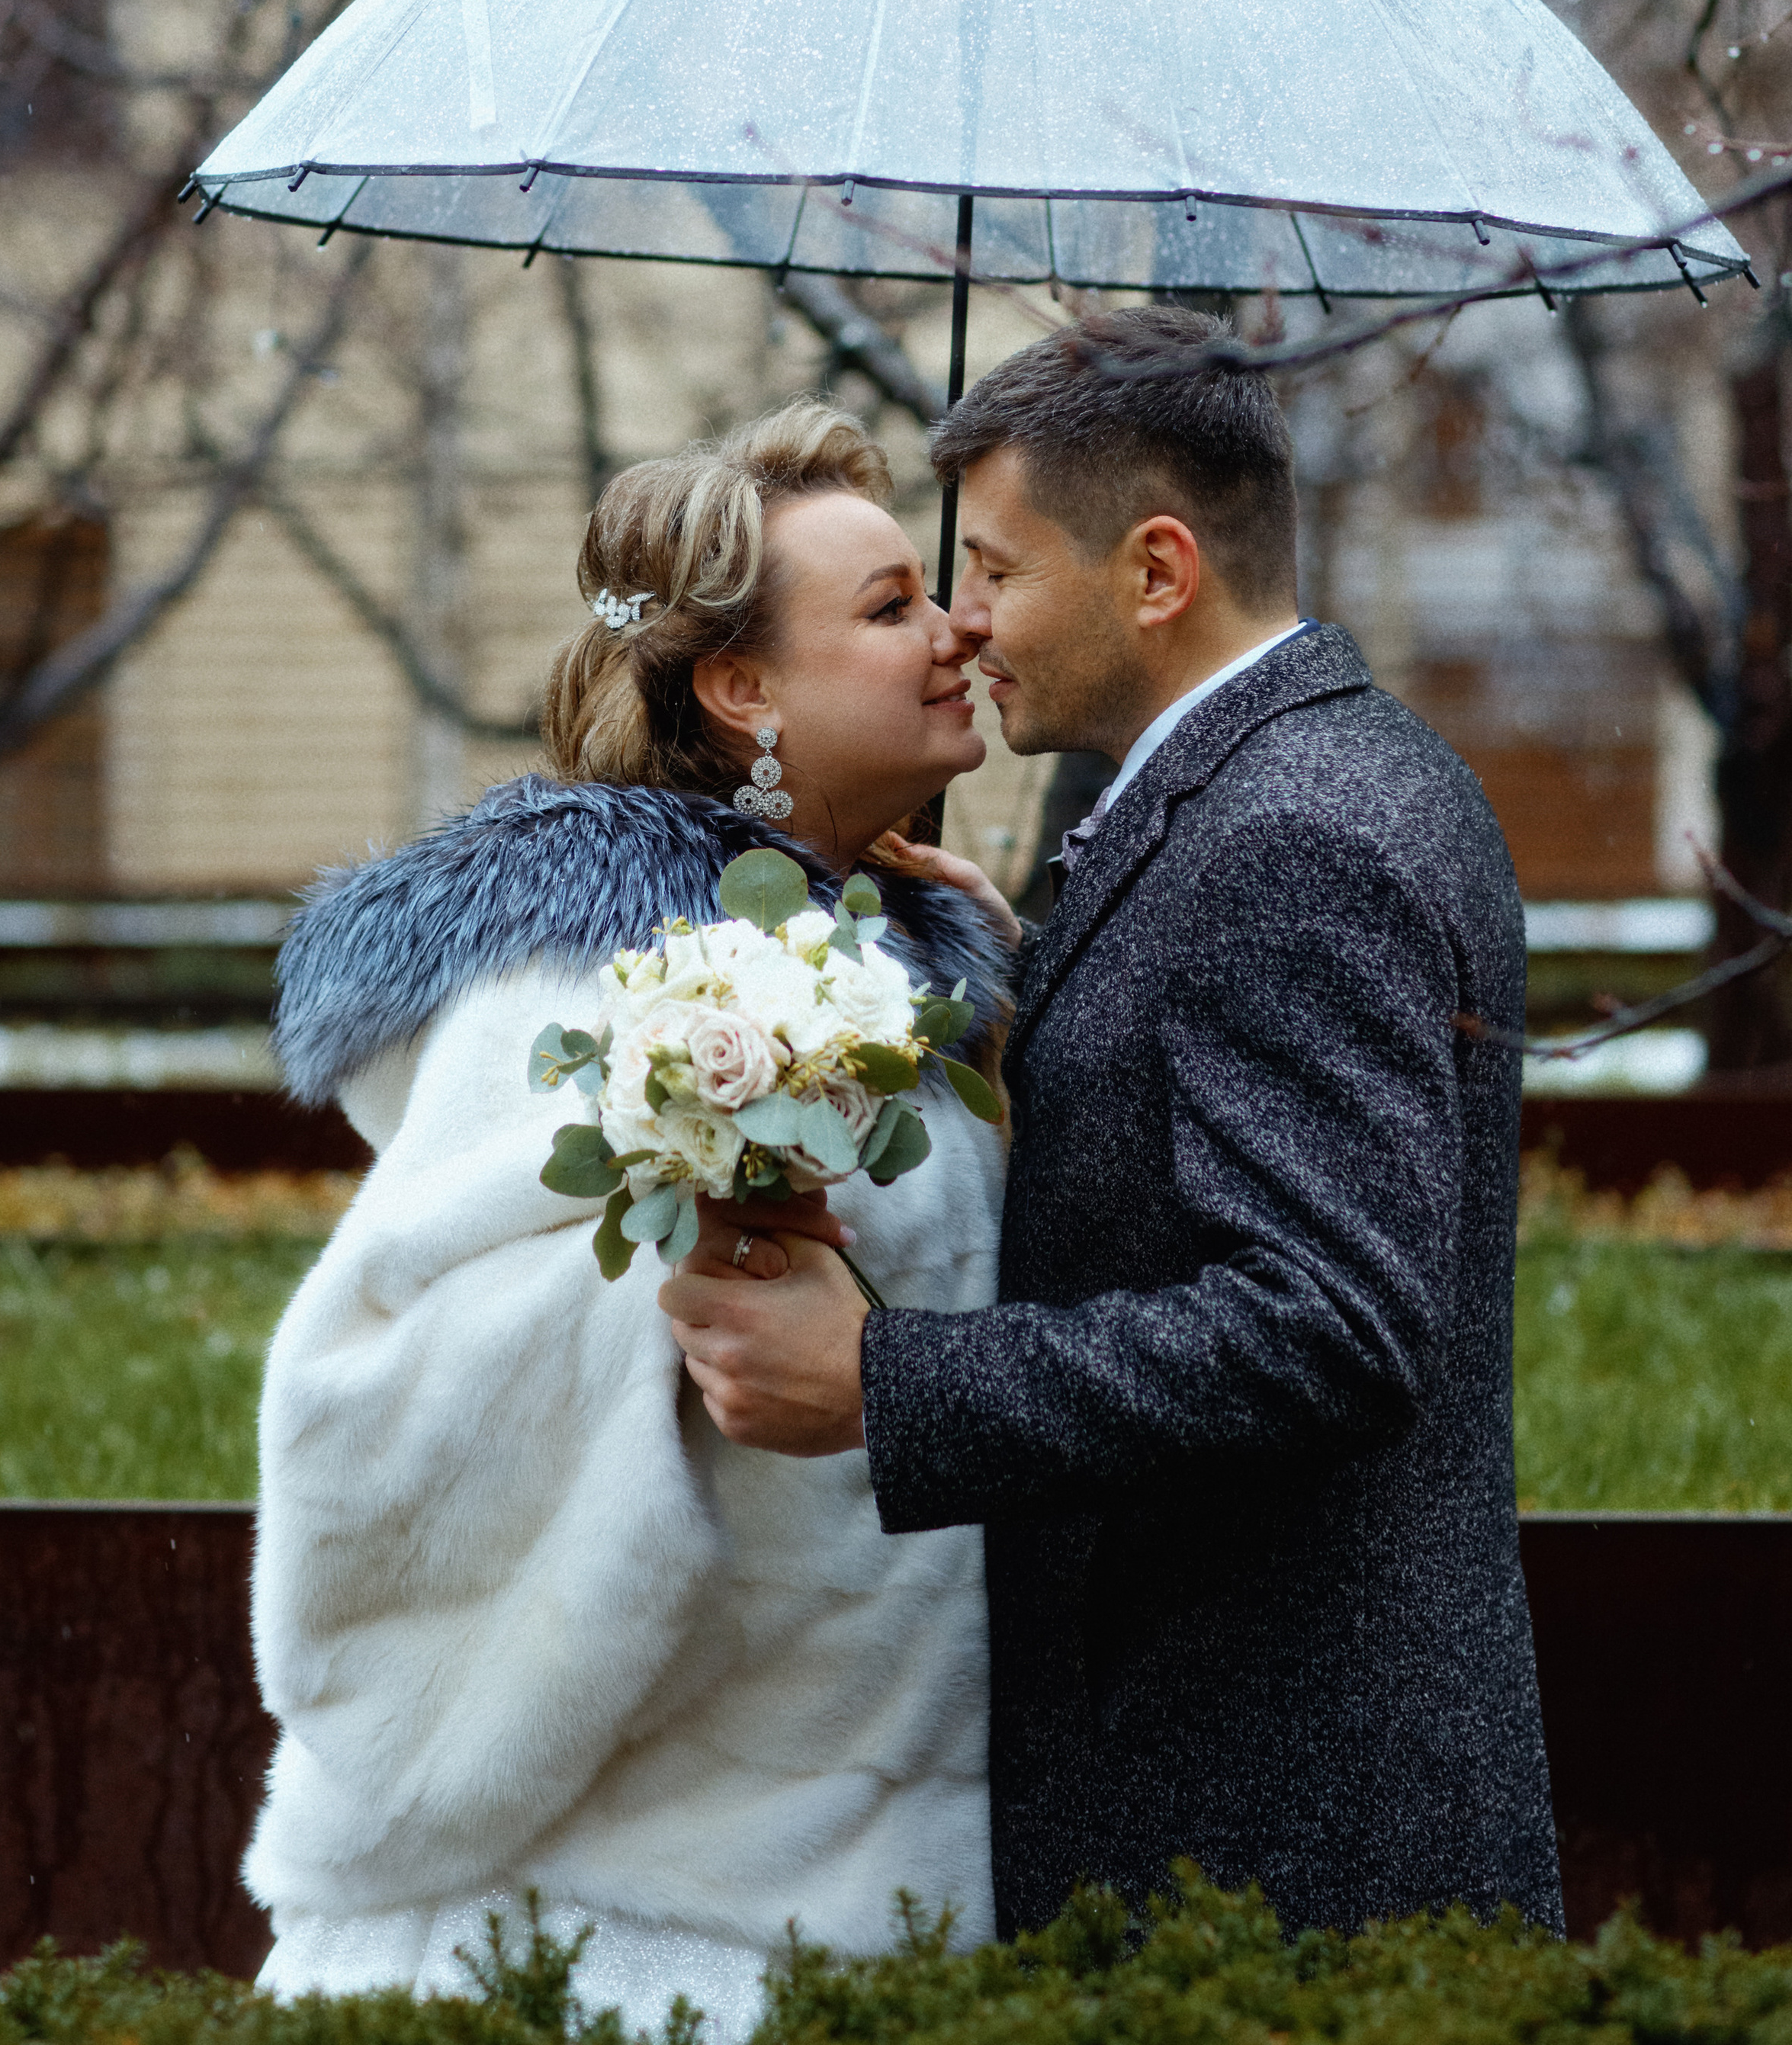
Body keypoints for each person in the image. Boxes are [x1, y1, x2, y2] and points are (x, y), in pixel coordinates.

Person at [663, 306, 1564, 1943]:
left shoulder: (1287, 838)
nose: (964, 624)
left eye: (995, 572)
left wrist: (881, 1379)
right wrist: (1049, 1003)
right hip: (1249, 1793)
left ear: (1154, 573)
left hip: (1270, 1826)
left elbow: (1327, 1329)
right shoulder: (1299, 783)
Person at [244, 402, 1017, 2034]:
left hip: (873, 1896)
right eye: (887, 609)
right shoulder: (580, 981)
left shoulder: (891, 968)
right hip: (627, 1929)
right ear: (741, 692)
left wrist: (986, 1026)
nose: (954, 630)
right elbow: (368, 1388)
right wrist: (694, 1270)